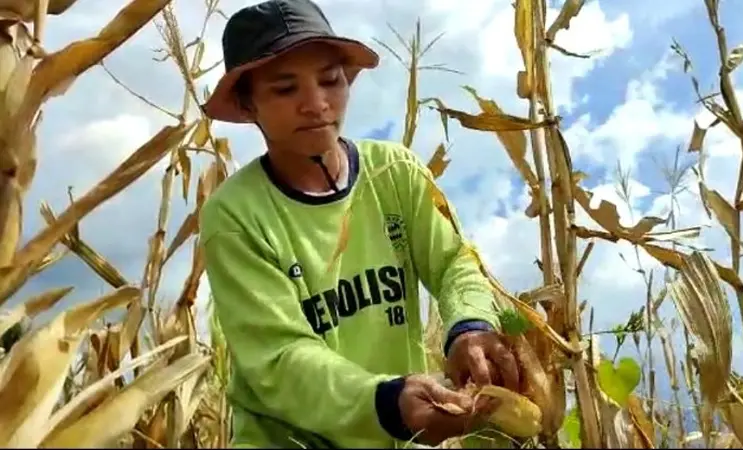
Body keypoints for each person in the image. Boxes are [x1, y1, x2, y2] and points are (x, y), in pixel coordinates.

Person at [199, 0, 525, 447]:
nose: (316, 104)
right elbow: (278, 356)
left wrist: (469, 327)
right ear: (247, 103)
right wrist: (386, 402)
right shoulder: (235, 215)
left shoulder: (395, 173)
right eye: (285, 89)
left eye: (330, 81)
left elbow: (453, 263)